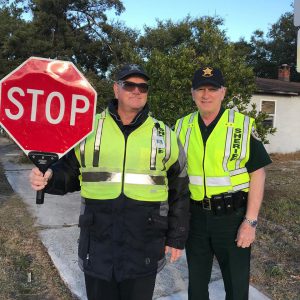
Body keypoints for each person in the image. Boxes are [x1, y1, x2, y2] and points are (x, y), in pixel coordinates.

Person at [29, 64, 190, 300]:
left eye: (142, 86)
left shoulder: (164, 134)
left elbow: (180, 190)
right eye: (129, 85)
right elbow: (69, 172)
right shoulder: (87, 128)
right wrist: (49, 178)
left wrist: (177, 237)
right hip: (98, 240)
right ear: (116, 89)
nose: (137, 91)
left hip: (144, 242)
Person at [175, 66, 272, 300]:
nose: (206, 95)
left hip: (232, 218)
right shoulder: (181, 127)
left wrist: (250, 222)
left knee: (236, 285)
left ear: (223, 92)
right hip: (196, 218)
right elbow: (175, 175)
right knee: (196, 285)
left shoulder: (241, 125)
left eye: (212, 89)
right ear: (192, 93)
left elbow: (257, 173)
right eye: (200, 89)